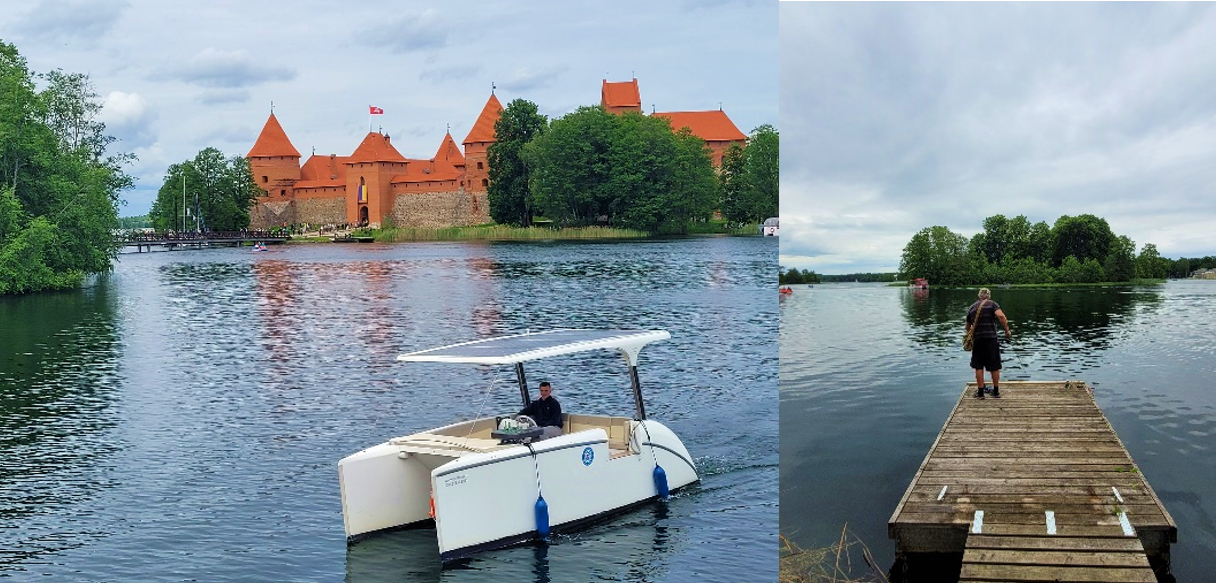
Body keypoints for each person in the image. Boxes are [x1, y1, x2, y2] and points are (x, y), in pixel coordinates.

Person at [966, 288, 1012, 399]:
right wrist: (1006, 330)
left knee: (978, 366)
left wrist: (974, 331)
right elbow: (1000, 316)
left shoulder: (972, 308)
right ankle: (996, 392)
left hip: (978, 340)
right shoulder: (992, 305)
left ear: (979, 296)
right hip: (991, 339)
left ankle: (981, 393)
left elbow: (967, 327)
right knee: (994, 366)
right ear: (988, 296)